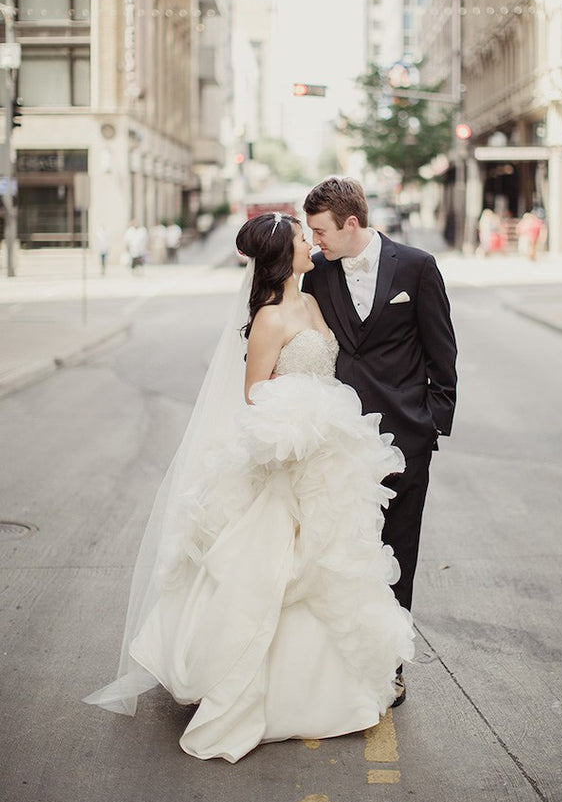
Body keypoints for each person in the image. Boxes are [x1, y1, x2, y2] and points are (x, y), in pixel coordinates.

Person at [84, 211, 413, 763]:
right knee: (273, 572)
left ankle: (332, 687)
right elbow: (255, 393)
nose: (311, 245)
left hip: (327, 457)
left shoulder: (312, 303)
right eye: (303, 239)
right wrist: (301, 421)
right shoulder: (268, 318)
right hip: (288, 458)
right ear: (284, 256)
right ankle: (260, 688)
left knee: (330, 563)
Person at [302, 177, 457, 708]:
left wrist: (432, 423)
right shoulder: (316, 273)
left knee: (398, 552)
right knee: (344, 551)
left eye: (321, 231)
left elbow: (442, 350)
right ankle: (340, 662)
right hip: (338, 439)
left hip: (405, 437)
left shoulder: (416, 267)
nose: (315, 240)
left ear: (352, 223)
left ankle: (389, 665)